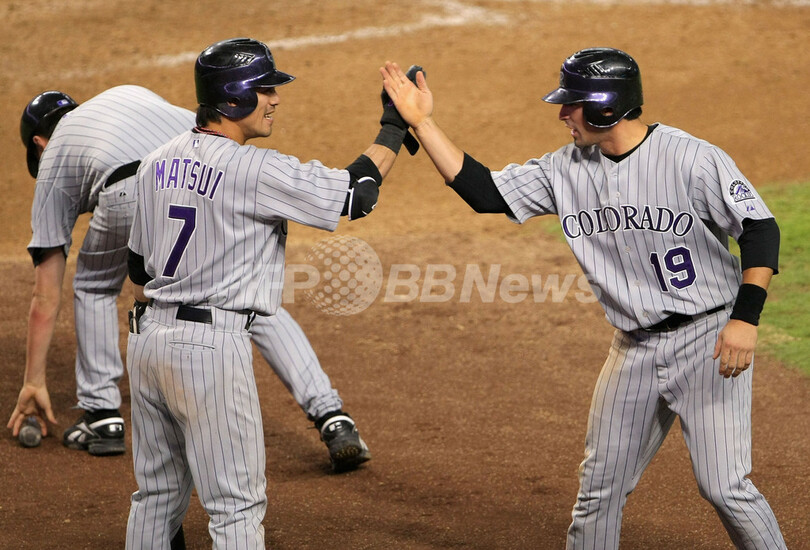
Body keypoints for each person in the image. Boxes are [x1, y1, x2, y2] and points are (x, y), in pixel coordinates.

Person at [381, 48, 786, 549]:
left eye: (571, 104)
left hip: (708, 341)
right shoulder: (565, 168)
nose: (562, 115)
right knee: (598, 491)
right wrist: (422, 123)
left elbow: (760, 229)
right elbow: (485, 193)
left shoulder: (692, 159)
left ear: (604, 107)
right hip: (632, 349)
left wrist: (745, 319)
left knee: (725, 488)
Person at [124, 37, 411, 548]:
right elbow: (356, 192)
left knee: (156, 498)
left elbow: (138, 269)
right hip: (210, 351)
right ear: (234, 97)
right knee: (236, 508)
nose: (275, 99)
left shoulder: (154, 163)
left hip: (147, 344)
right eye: (265, 89)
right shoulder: (253, 169)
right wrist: (394, 125)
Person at [9, 85, 372, 470]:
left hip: (138, 187)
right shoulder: (124, 97)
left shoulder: (56, 151)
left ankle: (102, 416)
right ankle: (331, 416)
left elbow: (45, 294)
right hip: (204, 173)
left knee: (94, 285)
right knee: (242, 295)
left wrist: (33, 381)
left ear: (39, 143)